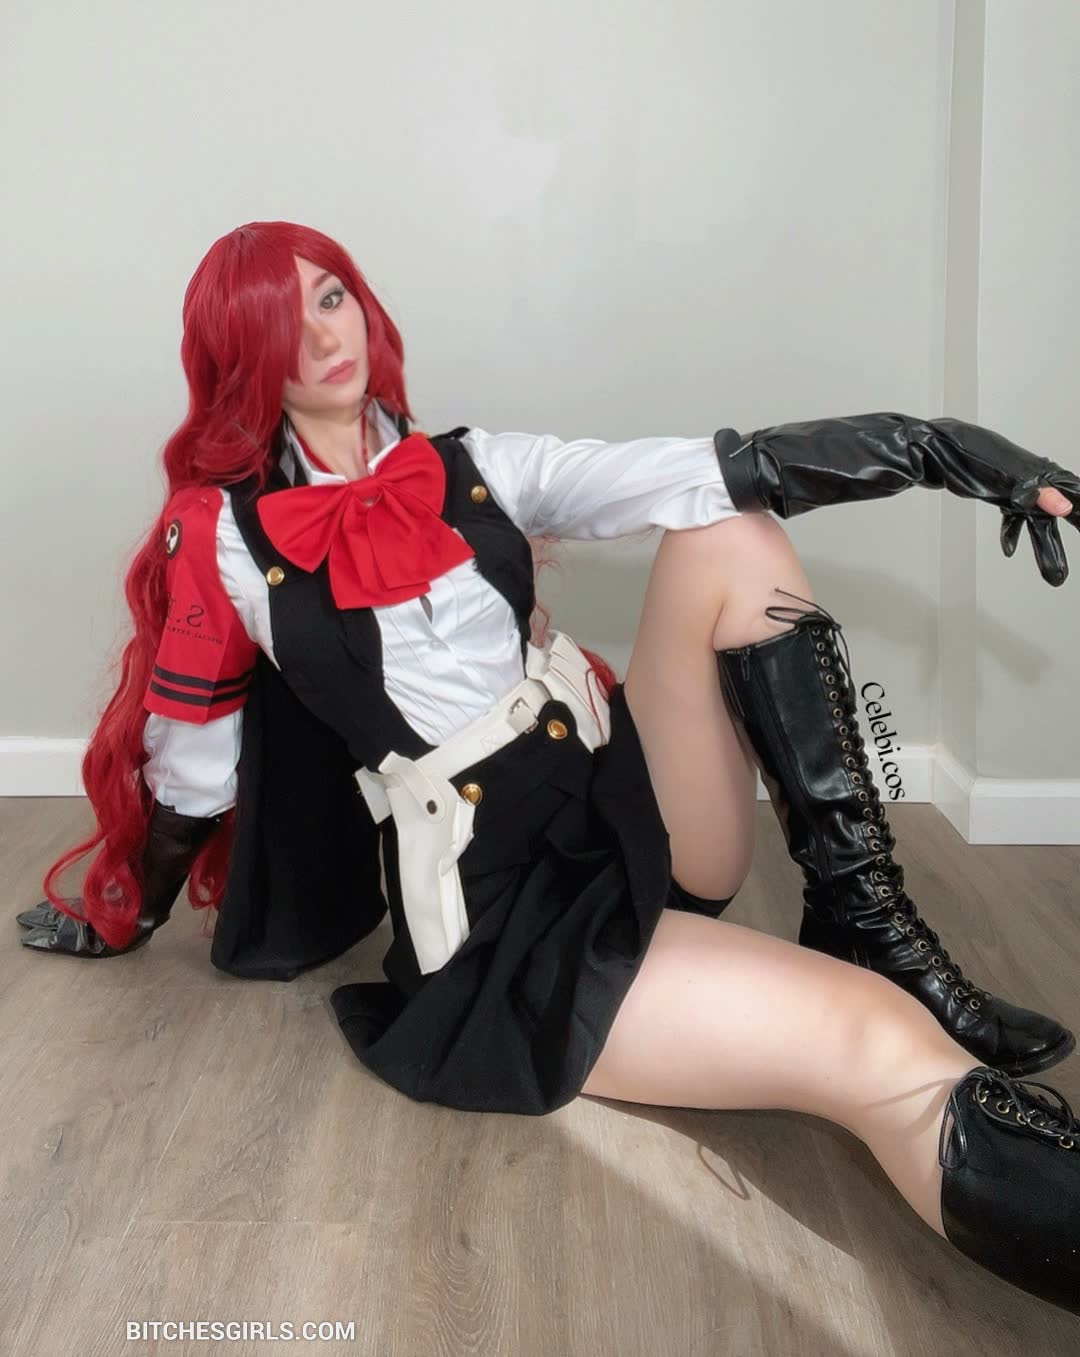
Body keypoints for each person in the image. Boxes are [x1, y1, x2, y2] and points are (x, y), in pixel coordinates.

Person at [17, 220, 1080, 1316]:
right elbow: (191, 778)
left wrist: (941, 452)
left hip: (619, 812)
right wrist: (124, 906)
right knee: (878, 1045)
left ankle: (863, 917)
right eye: (279, 323)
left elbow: (714, 468)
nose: (323, 337)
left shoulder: (474, 466)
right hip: (512, 924)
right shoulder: (227, 539)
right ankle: (887, 1011)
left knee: (731, 532)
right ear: (240, 360)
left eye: (330, 296)